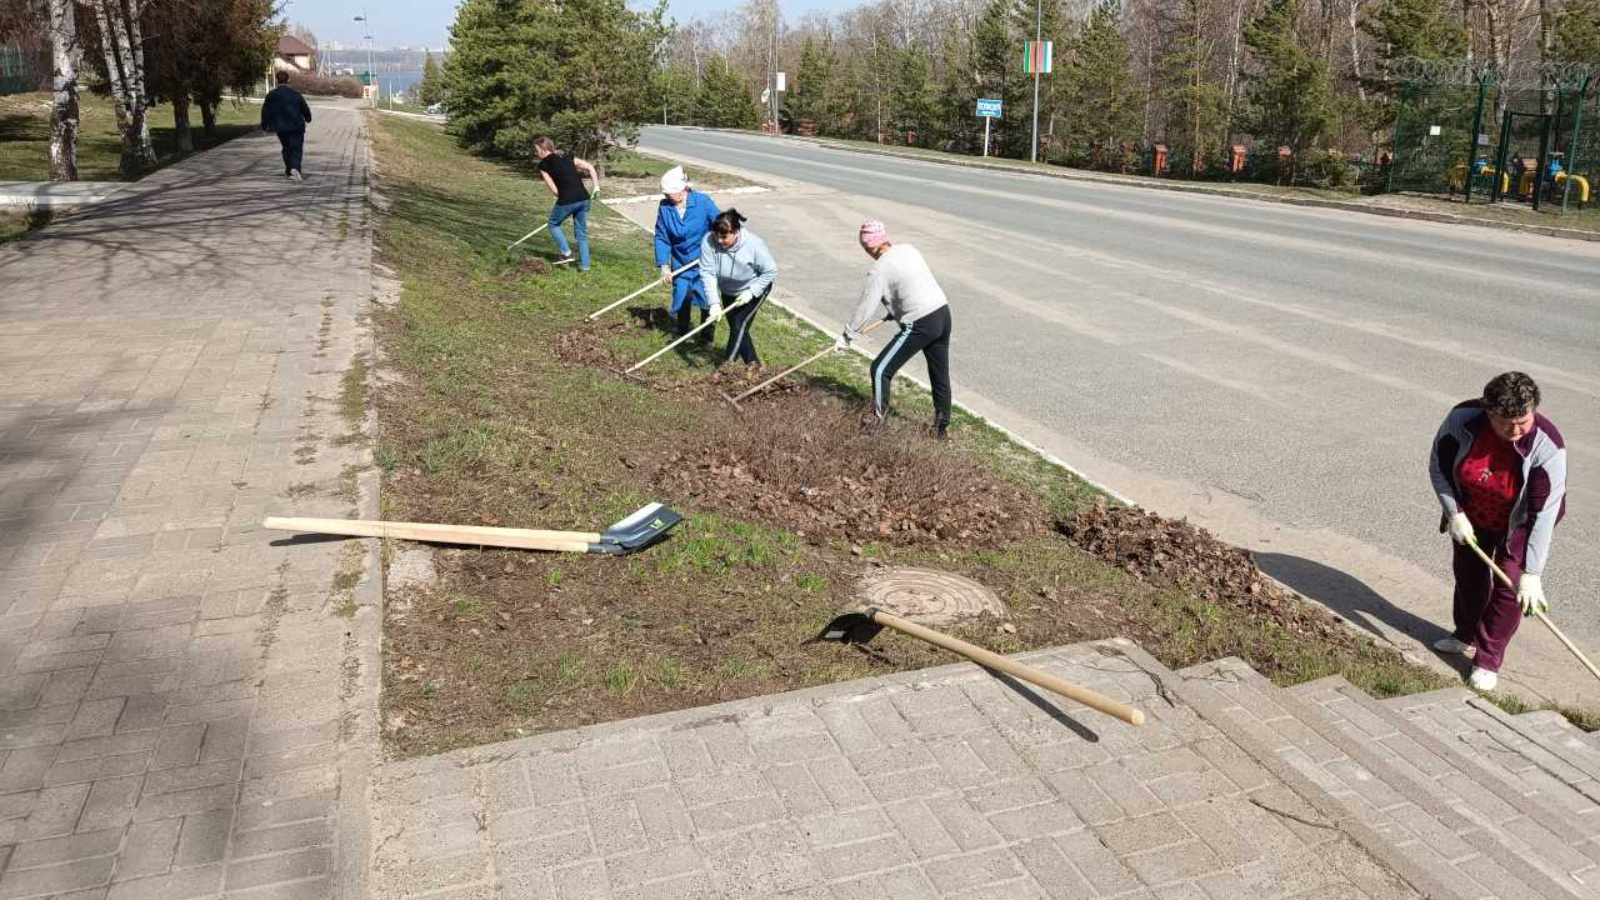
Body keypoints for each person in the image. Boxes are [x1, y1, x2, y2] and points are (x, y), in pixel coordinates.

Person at [1428, 372, 1567, 692]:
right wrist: (1455, 513)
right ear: (1488, 412)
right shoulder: (1462, 420)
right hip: (1471, 512)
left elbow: (1543, 514)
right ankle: (1465, 633)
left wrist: (1532, 572)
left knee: (1510, 583)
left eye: (1524, 420)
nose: (1516, 430)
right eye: (1507, 423)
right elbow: (1439, 466)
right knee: (1470, 575)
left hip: (1521, 522)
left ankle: (1488, 659)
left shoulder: (1548, 446)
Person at [841, 220, 953, 439]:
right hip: (942, 313)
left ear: (871, 246)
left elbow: (866, 308)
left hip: (920, 323)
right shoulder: (909, 249)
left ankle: (878, 425)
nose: (867, 252)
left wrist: (848, 335)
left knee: (880, 369)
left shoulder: (878, 269)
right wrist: (897, 310)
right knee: (939, 374)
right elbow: (912, 283)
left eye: (865, 248)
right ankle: (941, 431)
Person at [698, 209, 776, 366]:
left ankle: (726, 367)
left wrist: (752, 292)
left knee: (739, 324)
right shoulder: (708, 241)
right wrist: (714, 303)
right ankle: (754, 365)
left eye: (724, 237)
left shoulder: (754, 245)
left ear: (736, 232)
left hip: (754, 288)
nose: (719, 240)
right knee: (738, 329)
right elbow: (707, 273)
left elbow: (770, 271)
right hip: (728, 290)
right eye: (716, 235)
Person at [653, 166, 720, 343]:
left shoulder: (703, 202)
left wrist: (720, 242)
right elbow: (662, 235)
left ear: (682, 190)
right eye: (665, 194)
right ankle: (682, 332)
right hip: (680, 260)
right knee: (682, 295)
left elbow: (721, 225)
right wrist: (664, 265)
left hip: (704, 261)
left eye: (669, 193)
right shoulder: (665, 207)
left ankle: (706, 338)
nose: (666, 197)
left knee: (707, 299)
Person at [534, 137, 599, 272]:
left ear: (544, 149)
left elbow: (554, 190)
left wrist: (563, 198)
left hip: (568, 200)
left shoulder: (543, 165)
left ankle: (566, 252)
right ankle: (585, 267)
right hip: (584, 198)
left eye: (537, 150)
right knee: (581, 233)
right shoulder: (567, 156)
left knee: (553, 224)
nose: (536, 153)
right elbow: (590, 167)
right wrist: (596, 187)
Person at [261, 71, 312, 181]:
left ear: (277, 80)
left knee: (286, 148)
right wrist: (308, 118)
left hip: (280, 127)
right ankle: (295, 168)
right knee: (296, 148)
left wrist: (264, 126)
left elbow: (265, 111)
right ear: (288, 80)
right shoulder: (296, 94)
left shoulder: (271, 95)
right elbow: (304, 108)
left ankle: (289, 170)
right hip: (296, 126)